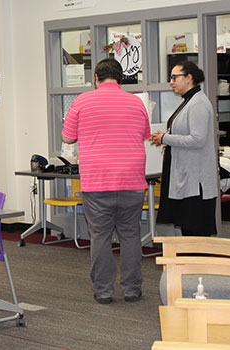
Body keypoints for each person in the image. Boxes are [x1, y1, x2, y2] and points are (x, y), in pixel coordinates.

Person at [62, 58, 150, 304]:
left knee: (100, 236)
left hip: (97, 181)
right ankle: (132, 290)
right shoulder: (137, 102)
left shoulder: (82, 100)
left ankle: (103, 291)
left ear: (96, 78)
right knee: (131, 235)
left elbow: (67, 138)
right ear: (120, 79)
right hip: (132, 179)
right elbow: (144, 134)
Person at [150, 61, 218, 236]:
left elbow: (198, 139)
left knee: (196, 234)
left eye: (174, 77)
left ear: (189, 78)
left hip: (196, 184)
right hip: (188, 180)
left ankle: (199, 264)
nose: (171, 82)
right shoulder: (189, 101)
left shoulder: (198, 104)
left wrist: (165, 138)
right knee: (188, 231)